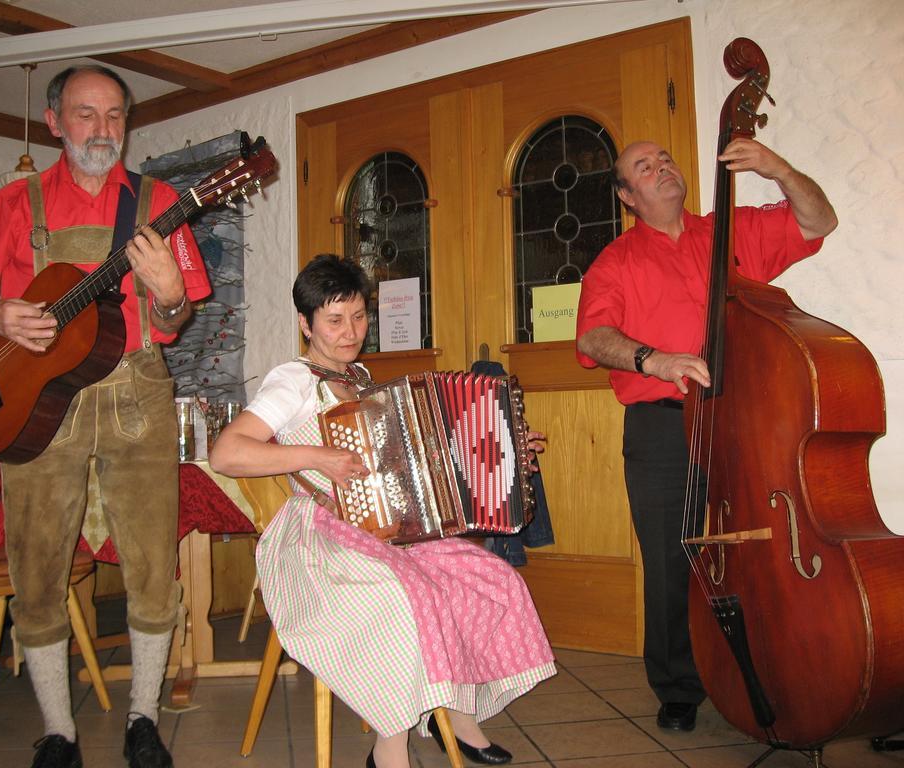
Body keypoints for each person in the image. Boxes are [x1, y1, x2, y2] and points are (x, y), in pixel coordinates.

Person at [0, 65, 210, 768]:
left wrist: (172, 293)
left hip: (136, 392)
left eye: (116, 115)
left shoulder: (160, 201)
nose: (104, 130)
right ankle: (59, 731)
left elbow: (176, 320)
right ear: (54, 121)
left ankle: (142, 720)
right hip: (31, 403)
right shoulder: (12, 203)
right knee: (36, 563)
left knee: (154, 561)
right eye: (86, 115)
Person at [211, 254, 557, 768]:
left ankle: (457, 718)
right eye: (334, 320)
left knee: (488, 575)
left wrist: (503, 445)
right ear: (306, 324)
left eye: (358, 316)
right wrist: (315, 456)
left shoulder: (362, 377)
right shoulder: (293, 381)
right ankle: (388, 749)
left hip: (387, 528)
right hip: (319, 534)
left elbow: (423, 458)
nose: (350, 331)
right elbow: (227, 452)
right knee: (405, 595)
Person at [575, 138, 837, 732]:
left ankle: (767, 667)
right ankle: (678, 686)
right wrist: (654, 359)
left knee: (757, 547)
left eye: (665, 159)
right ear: (626, 196)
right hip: (662, 426)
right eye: (644, 167)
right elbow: (592, 339)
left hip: (744, 420)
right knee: (671, 557)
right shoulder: (614, 262)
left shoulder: (730, 232)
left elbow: (820, 220)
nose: (661, 168)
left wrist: (777, 167)